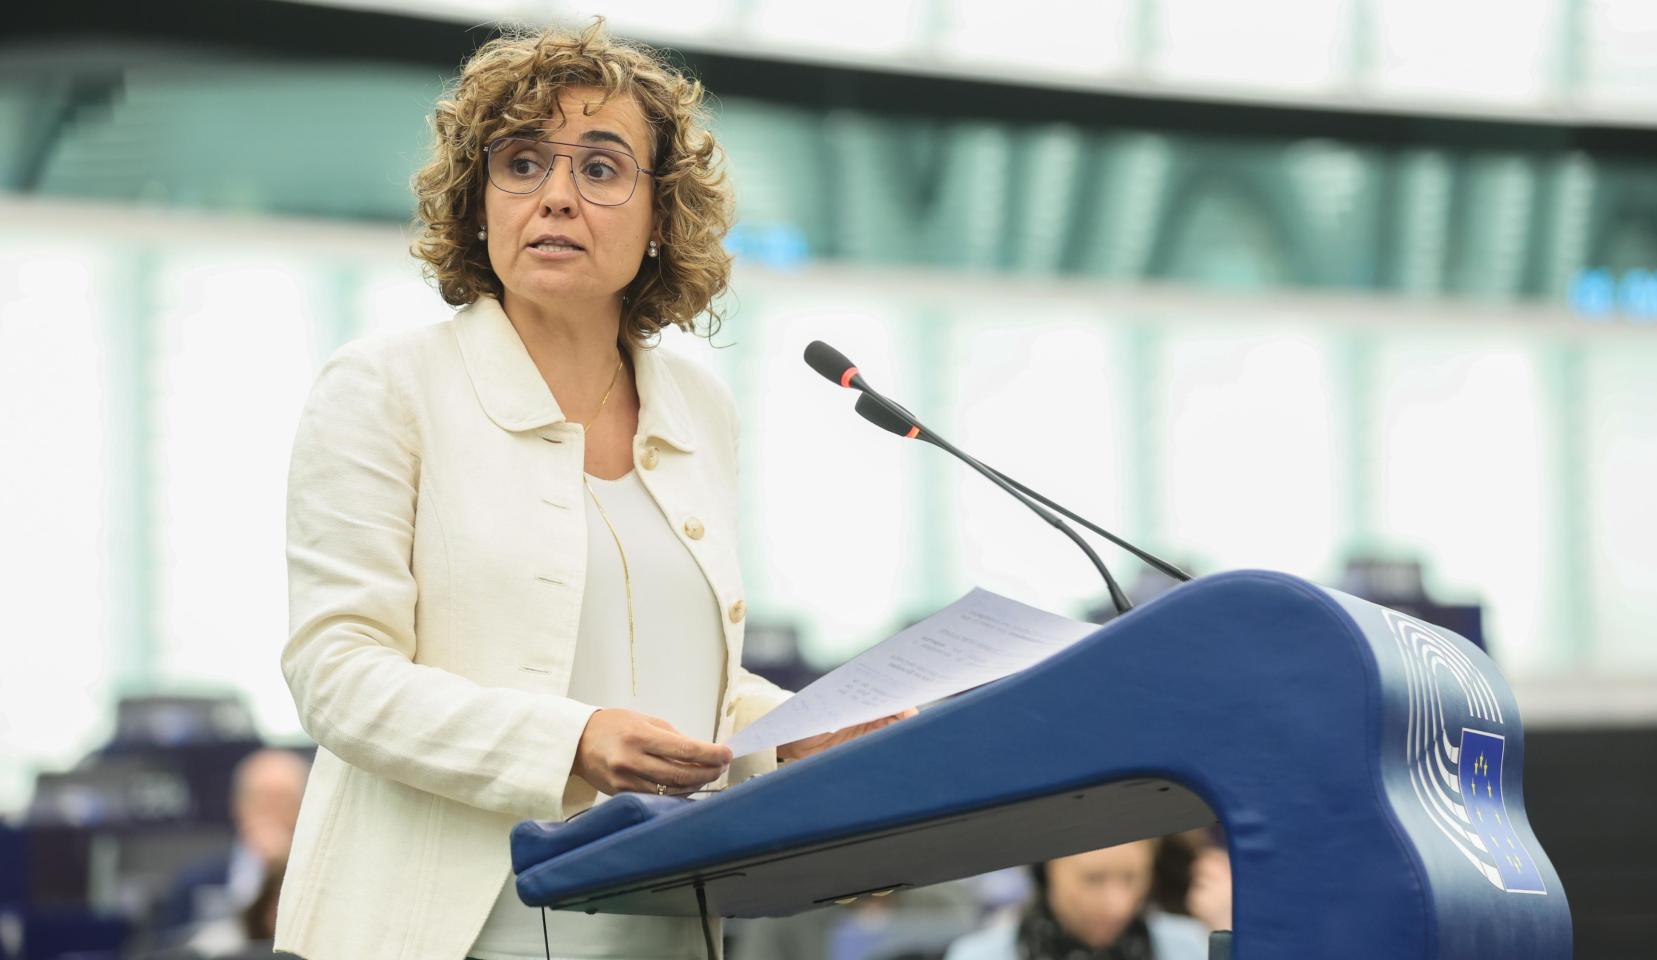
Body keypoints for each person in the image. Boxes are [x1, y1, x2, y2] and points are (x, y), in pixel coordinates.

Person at [272, 19, 910, 960]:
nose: (557, 197)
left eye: (602, 169)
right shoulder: (385, 388)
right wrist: (569, 741)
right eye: (522, 163)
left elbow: (684, 679)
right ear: (478, 202)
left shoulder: (696, 405)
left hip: (658, 922)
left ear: (662, 218)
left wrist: (795, 735)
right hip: (441, 930)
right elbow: (337, 675)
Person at [942, 840, 1209, 960]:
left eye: (1131, 878)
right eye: (1093, 879)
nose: (1118, 905)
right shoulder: (976, 956)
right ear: (1046, 872)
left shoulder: (1192, 947)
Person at [152, 748, 305, 938]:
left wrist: (283, 867)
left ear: (305, 807)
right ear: (237, 805)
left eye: (283, 800)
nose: (270, 810)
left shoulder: (323, 881)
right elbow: (166, 947)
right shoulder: (196, 881)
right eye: (260, 798)